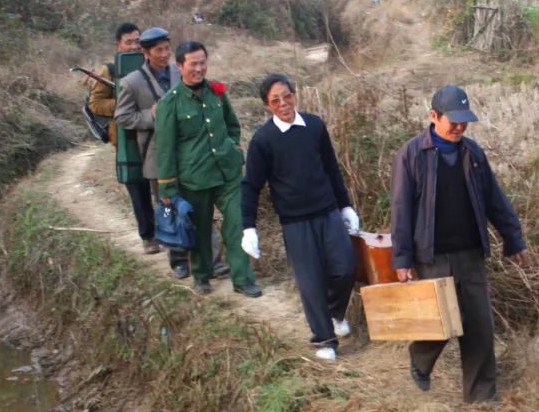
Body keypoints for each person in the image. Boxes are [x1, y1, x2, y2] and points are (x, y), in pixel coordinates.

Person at [390, 85, 527, 404]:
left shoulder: (473, 153)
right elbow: (401, 209)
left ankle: (481, 395)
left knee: (478, 323)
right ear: (434, 117)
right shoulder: (411, 155)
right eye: (454, 121)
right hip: (431, 254)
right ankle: (420, 359)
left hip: (470, 252)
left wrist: (514, 238)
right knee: (441, 323)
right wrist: (402, 259)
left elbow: (495, 199)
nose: (460, 127)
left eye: (465, 121)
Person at [240, 73, 358, 361]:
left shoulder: (314, 126)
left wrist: (346, 206)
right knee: (311, 282)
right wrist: (248, 228)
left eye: (287, 95)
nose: (284, 104)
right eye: (275, 100)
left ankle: (336, 311)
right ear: (267, 106)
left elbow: (331, 168)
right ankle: (325, 340)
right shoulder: (263, 141)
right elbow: (251, 186)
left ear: (295, 94)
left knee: (346, 267)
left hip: (328, 211)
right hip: (295, 222)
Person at [115, 27, 231, 281]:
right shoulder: (131, 82)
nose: (164, 54)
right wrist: (151, 116)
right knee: (169, 208)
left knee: (202, 207)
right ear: (145, 53)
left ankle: (214, 260)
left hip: (192, 154)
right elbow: (122, 117)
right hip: (157, 156)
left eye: (167, 48)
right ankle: (179, 260)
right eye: (158, 50)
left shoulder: (181, 72)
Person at [154, 41, 259, 297]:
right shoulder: (170, 103)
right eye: (193, 63)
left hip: (227, 174)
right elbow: (165, 148)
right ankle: (201, 276)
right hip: (194, 178)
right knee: (199, 230)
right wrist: (167, 186)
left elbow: (232, 126)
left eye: (203, 62)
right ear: (180, 67)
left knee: (237, 225)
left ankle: (243, 279)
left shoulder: (217, 92)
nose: (199, 68)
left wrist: (234, 149)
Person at [87, 22, 161, 255]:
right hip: (126, 139)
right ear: (118, 45)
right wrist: (122, 103)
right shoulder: (109, 70)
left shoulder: (150, 65)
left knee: (162, 186)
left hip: (153, 135)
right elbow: (95, 104)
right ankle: (148, 237)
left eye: (137, 41)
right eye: (128, 42)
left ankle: (168, 231)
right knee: (137, 189)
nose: (134, 46)